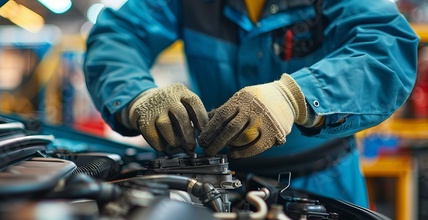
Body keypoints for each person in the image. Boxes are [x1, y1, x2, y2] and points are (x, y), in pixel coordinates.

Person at [84, 0, 419, 207]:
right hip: (211, 179)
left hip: (322, 181)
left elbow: (385, 52)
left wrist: (295, 97)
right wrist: (137, 95)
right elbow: (119, 36)